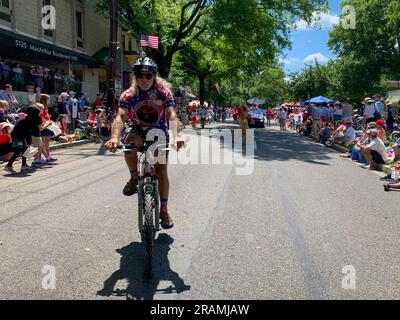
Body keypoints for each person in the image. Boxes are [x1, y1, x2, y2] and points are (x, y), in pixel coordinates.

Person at [104, 55, 184, 230]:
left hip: (159, 131)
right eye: (140, 75)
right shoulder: (129, 94)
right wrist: (114, 137)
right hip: (138, 130)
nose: (144, 79)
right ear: (135, 76)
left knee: (161, 171)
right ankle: (134, 177)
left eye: (148, 76)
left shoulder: (163, 92)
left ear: (154, 76)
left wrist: (177, 135)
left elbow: (171, 114)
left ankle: (164, 210)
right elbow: (121, 116)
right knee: (128, 142)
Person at [3, 105, 41, 174]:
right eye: (37, 113)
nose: (38, 115)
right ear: (33, 113)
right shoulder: (27, 120)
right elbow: (27, 132)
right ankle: (9, 165)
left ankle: (24, 165)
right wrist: (29, 142)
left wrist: (29, 142)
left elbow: (28, 132)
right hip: (17, 136)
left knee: (25, 149)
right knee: (18, 149)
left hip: (21, 135)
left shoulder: (30, 119)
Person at [39, 94, 57, 162]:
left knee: (47, 141)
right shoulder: (41, 107)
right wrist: (48, 121)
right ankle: (39, 157)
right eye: (48, 99)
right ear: (45, 100)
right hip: (44, 125)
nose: (49, 100)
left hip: (47, 125)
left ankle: (48, 155)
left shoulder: (45, 107)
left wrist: (51, 121)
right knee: (42, 142)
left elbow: (46, 116)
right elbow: (41, 117)